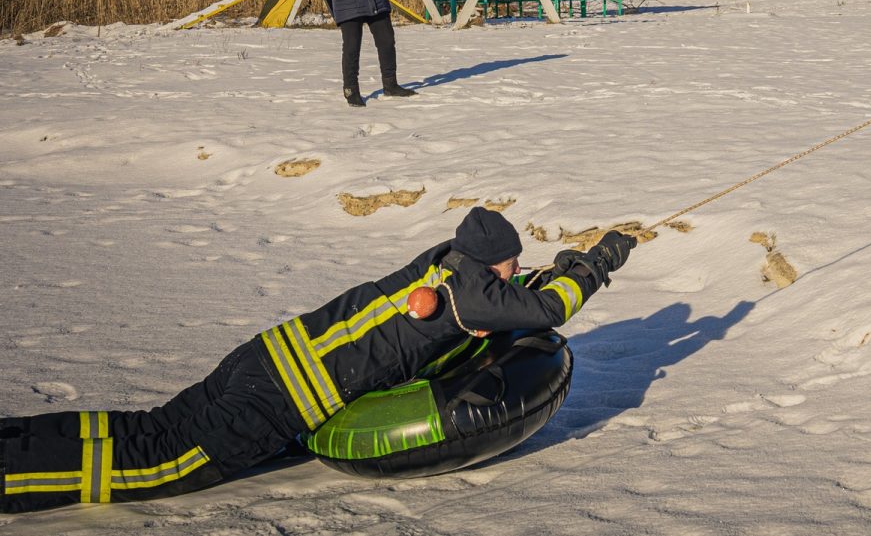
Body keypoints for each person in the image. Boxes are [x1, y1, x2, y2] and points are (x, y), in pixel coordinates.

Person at [0, 208, 637, 513]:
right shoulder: (468, 293)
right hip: (282, 398)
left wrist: (544, 273)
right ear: (488, 263)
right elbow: (547, 311)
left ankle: (17, 439)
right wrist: (594, 265)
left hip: (264, 355)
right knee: (154, 465)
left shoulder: (441, 266)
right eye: (511, 263)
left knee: (151, 427)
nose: (516, 270)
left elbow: (505, 298)